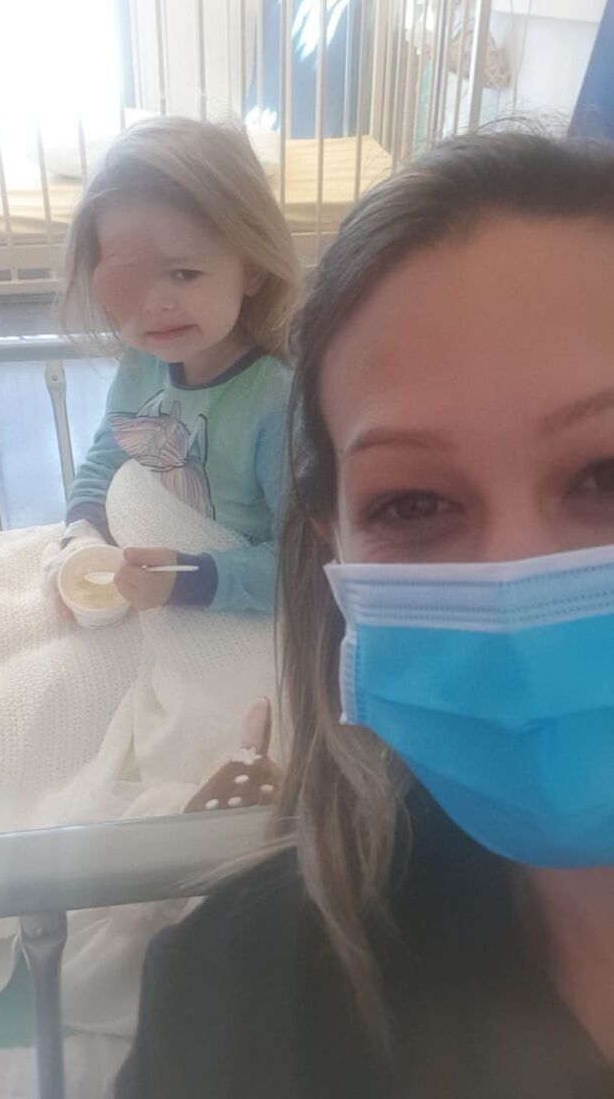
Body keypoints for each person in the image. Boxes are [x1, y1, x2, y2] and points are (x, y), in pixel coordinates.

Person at [116, 131, 614, 1097]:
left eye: (605, 474)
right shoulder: (233, 998)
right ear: (334, 546)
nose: (516, 580)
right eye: (412, 504)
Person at [43, 117, 298, 615]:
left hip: (238, 603)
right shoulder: (144, 361)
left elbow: (304, 564)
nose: (154, 304)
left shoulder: (276, 406)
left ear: (252, 268)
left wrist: (188, 582)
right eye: (128, 279)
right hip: (153, 570)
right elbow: (108, 453)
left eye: (184, 272)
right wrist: (82, 533)